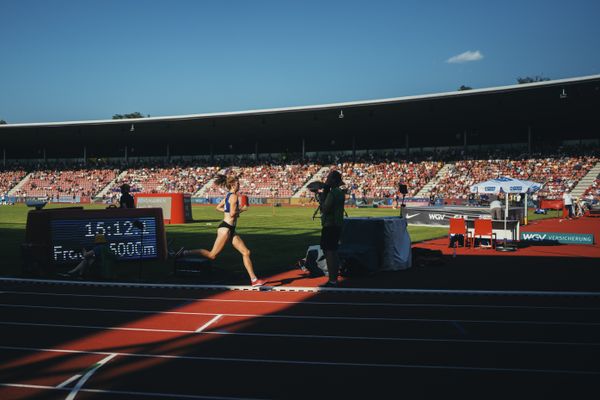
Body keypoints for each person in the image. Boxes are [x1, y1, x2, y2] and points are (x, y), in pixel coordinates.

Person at [176, 175, 264, 287]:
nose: (239, 185)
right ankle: (184, 252)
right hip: (225, 228)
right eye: (238, 183)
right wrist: (242, 209)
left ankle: (254, 280)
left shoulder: (228, 196)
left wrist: (228, 212)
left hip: (230, 229)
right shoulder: (234, 197)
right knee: (212, 255)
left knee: (246, 252)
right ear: (233, 185)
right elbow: (232, 213)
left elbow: (218, 207)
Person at [319, 170, 346, 287]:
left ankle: (332, 279)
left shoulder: (333, 193)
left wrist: (322, 195)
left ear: (333, 180)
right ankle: (334, 277)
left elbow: (324, 208)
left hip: (330, 225)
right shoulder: (340, 192)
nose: (327, 180)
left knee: (329, 252)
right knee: (333, 251)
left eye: (329, 178)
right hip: (337, 224)